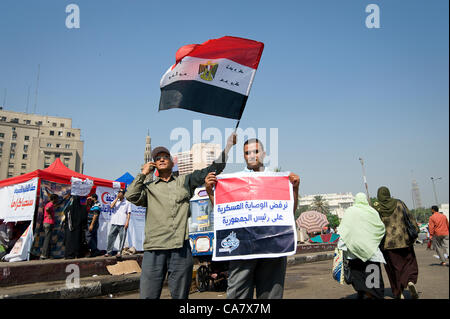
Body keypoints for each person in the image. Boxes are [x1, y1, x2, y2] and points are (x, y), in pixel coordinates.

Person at [126, 132, 237, 299]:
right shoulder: (149, 188)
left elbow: (213, 169)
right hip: (154, 249)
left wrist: (228, 146)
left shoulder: (185, 181)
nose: (162, 159)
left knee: (180, 297)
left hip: (180, 249)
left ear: (172, 162)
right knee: (148, 295)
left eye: (165, 156)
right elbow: (131, 196)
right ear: (154, 165)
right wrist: (143, 173)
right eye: (158, 158)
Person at [204, 138, 300, 299]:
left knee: (271, 294)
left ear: (264, 154)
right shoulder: (234, 181)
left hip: (272, 247)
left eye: (255, 151)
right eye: (247, 153)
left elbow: (289, 212)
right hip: (242, 247)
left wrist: (295, 189)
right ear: (243, 156)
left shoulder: (276, 179)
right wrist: (209, 191)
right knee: (237, 293)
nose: (252, 155)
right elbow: (223, 212)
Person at [373, 186, 420, 299]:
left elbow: (374, 225)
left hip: (387, 244)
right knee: (409, 262)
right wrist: (415, 232)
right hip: (404, 241)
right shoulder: (399, 203)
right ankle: (410, 281)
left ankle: (399, 292)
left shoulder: (377, 208)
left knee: (393, 268)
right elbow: (410, 218)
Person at [337, 192, 386, 299]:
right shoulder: (372, 212)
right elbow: (381, 229)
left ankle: (364, 293)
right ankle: (371, 294)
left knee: (358, 276)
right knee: (373, 277)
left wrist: (341, 248)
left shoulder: (350, 211)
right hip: (371, 252)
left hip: (354, 252)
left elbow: (344, 230)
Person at [105, 189, 131, 257]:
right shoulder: (116, 201)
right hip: (114, 222)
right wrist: (117, 198)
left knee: (122, 238)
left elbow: (128, 213)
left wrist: (127, 222)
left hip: (122, 223)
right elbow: (111, 206)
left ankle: (119, 252)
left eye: (121, 192)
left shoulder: (127, 202)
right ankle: (109, 252)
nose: (119, 193)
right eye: (118, 192)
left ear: (124, 194)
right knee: (111, 237)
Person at [40, 194, 59, 260]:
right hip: (49, 222)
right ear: (54, 199)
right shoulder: (50, 204)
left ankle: (46, 255)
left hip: (46, 222)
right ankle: (44, 255)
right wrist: (50, 214)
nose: (57, 200)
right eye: (57, 199)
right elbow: (48, 209)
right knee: (47, 240)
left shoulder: (48, 204)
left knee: (47, 239)